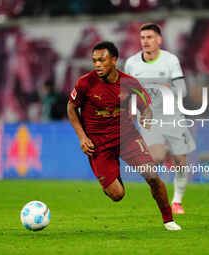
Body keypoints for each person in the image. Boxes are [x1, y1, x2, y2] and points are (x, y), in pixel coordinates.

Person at [67, 41, 181, 230]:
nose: (97, 65)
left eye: (102, 60)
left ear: (114, 60)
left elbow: (146, 105)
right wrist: (82, 137)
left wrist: (146, 115)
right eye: (94, 61)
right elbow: (71, 108)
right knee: (117, 195)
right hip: (98, 144)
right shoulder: (85, 83)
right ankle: (113, 176)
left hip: (127, 137)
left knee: (152, 175)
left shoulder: (129, 82)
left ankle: (169, 220)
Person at [125, 23, 196, 214]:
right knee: (155, 157)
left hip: (171, 115)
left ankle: (177, 201)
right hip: (148, 117)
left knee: (181, 160)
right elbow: (127, 91)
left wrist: (167, 87)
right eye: (142, 38)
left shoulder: (170, 60)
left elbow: (182, 90)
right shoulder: (131, 64)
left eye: (149, 37)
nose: (145, 41)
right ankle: (166, 155)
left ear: (159, 40)